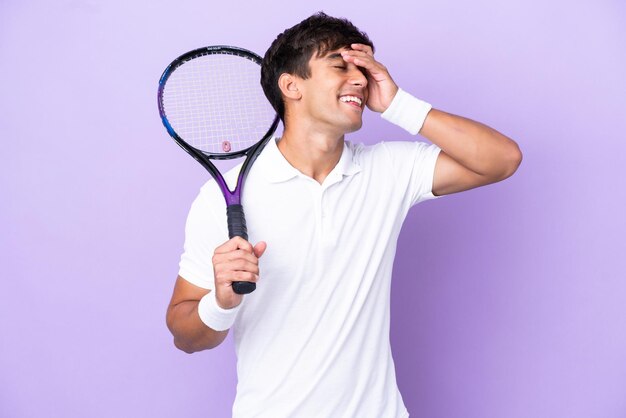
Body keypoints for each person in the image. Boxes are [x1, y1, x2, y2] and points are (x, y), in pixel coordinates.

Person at [166, 11, 522, 418]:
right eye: (340, 66)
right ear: (291, 85)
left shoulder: (388, 170)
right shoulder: (221, 199)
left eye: (364, 71)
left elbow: (502, 159)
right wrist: (221, 301)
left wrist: (397, 104)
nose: (360, 80)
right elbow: (185, 335)